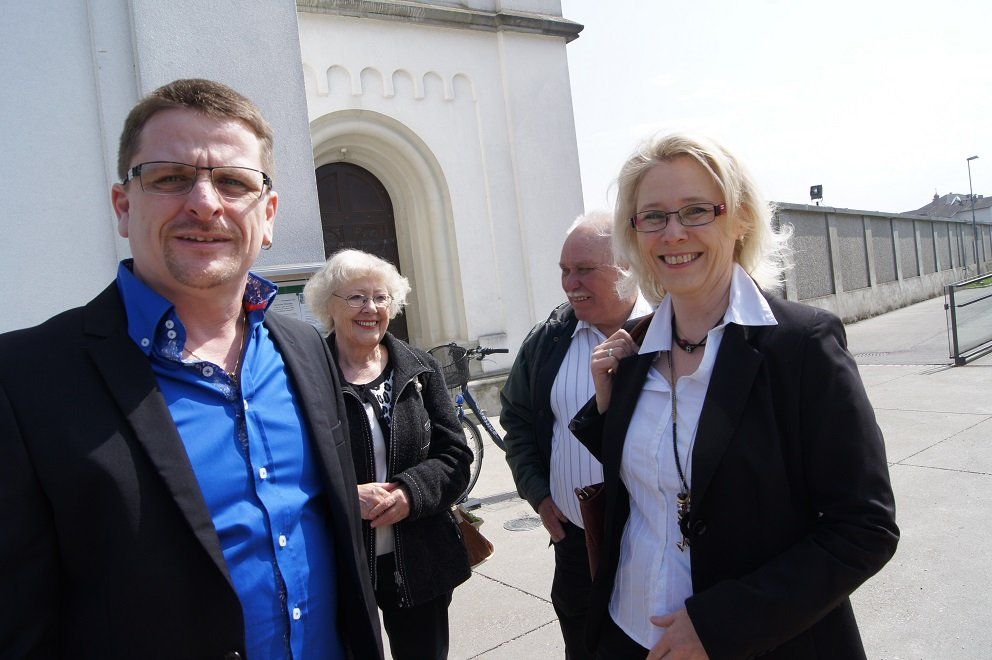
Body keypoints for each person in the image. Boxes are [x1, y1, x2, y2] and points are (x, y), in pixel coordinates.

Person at [0, 79, 382, 659]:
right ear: (124, 206)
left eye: (233, 182)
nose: (205, 203)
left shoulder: (305, 348)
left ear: (268, 215)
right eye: (170, 177)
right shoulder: (22, 380)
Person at [570, 133, 899, 659]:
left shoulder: (801, 346)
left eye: (696, 210)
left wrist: (721, 624)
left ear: (740, 218)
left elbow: (865, 528)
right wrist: (608, 410)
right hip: (627, 634)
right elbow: (650, 489)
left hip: (757, 645)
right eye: (653, 216)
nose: (673, 232)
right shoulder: (633, 349)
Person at [304, 249, 472, 660]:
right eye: (356, 297)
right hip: (340, 563)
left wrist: (410, 493)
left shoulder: (419, 367)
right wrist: (346, 496)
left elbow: (455, 455)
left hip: (420, 556)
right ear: (329, 306)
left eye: (381, 298)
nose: (371, 308)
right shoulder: (306, 375)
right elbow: (289, 468)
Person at [500, 211, 652, 658]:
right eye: (564, 270)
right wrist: (538, 493)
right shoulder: (549, 338)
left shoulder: (669, 328)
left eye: (584, 269)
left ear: (627, 266)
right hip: (575, 543)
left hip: (654, 544)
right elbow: (517, 419)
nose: (570, 284)